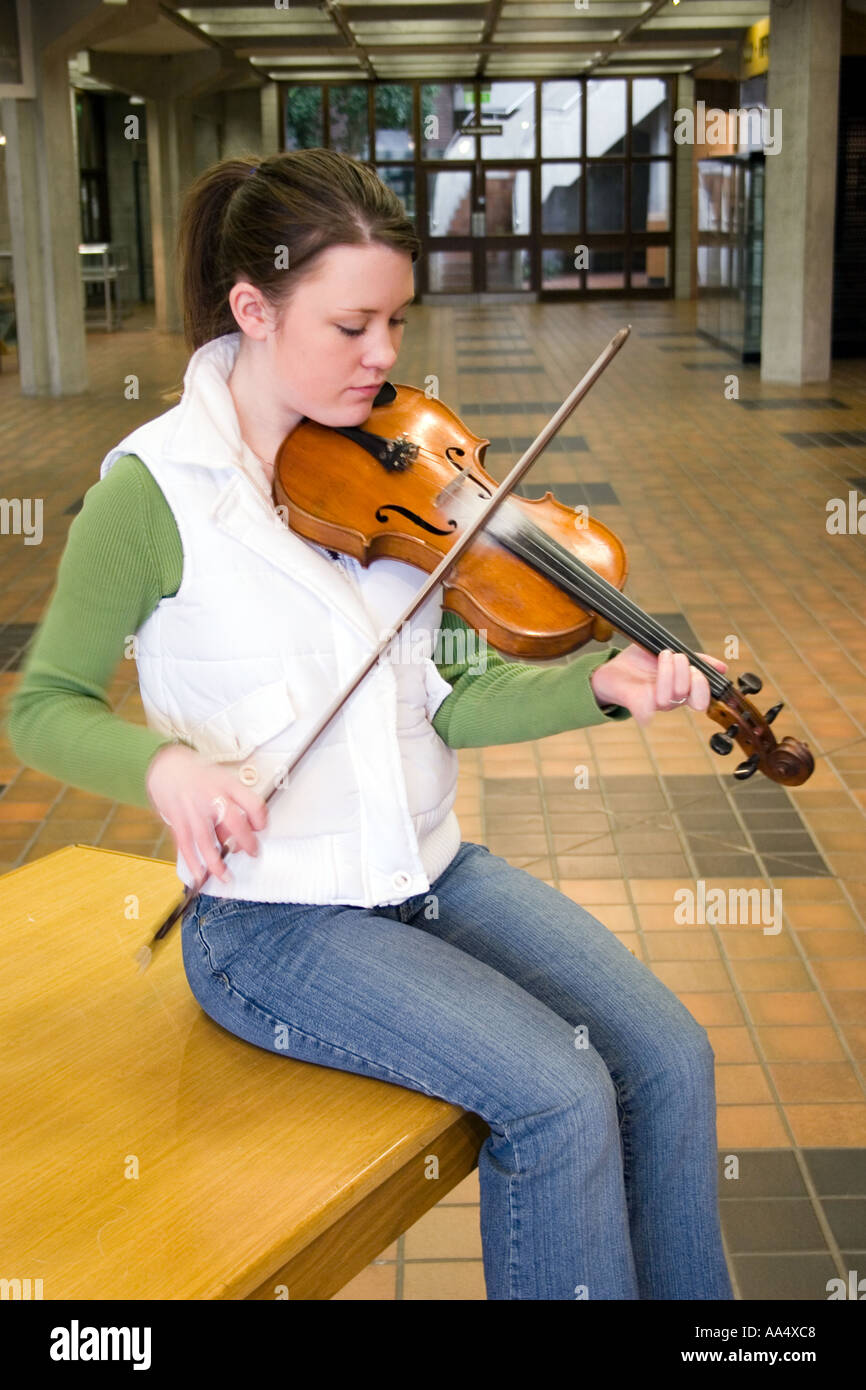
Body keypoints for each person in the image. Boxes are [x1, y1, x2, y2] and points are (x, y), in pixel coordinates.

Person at [8, 148, 733, 1301]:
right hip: (272, 924)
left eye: (395, 319)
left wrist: (601, 686)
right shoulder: (151, 492)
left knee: (667, 1057)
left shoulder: (402, 463)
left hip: (431, 873)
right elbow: (42, 708)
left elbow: (451, 699)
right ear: (254, 309)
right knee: (557, 1098)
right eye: (350, 325)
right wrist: (168, 767)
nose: (384, 355)